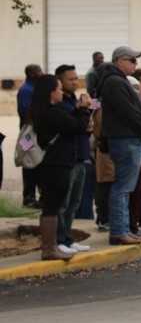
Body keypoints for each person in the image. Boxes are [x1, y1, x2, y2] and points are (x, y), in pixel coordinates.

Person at [96, 46, 141, 245]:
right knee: (122, 188)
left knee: (125, 188)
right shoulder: (115, 82)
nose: (135, 64)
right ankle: (119, 231)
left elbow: (136, 112)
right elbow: (130, 113)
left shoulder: (118, 81)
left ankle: (124, 229)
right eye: (132, 60)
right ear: (119, 61)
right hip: (125, 140)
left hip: (130, 139)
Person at [27, 74, 93, 260]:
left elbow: (68, 125)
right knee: (53, 208)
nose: (61, 93)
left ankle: (55, 245)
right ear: (50, 92)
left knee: (53, 206)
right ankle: (50, 248)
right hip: (56, 166)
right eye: (58, 89)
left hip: (48, 166)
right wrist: (82, 111)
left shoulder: (40, 112)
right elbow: (75, 127)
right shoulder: (52, 113)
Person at [53, 65, 93, 254]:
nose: (75, 82)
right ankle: (58, 239)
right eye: (71, 79)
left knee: (74, 203)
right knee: (62, 202)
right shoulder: (60, 104)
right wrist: (82, 112)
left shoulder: (74, 101)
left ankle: (67, 238)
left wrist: (88, 123)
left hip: (81, 157)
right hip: (66, 160)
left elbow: (81, 127)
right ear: (59, 81)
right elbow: (71, 126)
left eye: (77, 78)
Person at [17, 63, 44, 207]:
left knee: (39, 162)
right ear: (31, 74)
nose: (42, 72)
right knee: (28, 163)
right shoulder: (26, 90)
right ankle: (28, 197)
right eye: (38, 70)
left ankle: (39, 196)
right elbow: (26, 112)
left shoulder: (36, 88)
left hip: (37, 133)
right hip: (27, 134)